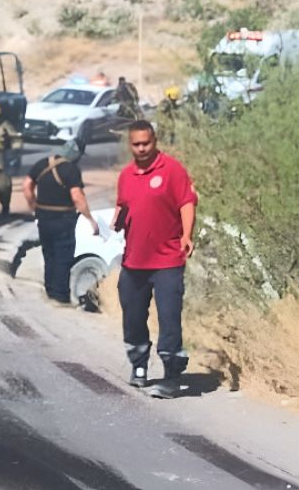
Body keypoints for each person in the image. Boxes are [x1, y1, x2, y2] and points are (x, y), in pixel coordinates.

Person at [112, 120, 197, 399]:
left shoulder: (172, 169)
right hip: (134, 261)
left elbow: (186, 202)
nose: (141, 148)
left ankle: (171, 377)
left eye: (146, 143)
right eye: (136, 144)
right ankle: (139, 365)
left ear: (155, 141)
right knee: (133, 317)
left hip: (167, 260)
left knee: (169, 318)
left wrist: (187, 234)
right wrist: (117, 219)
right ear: (130, 145)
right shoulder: (126, 175)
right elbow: (124, 204)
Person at [23, 139, 99, 305]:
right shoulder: (71, 169)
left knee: (49, 254)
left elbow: (27, 185)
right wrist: (90, 219)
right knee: (63, 257)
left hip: (43, 217)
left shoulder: (42, 163)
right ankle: (60, 296)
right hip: (63, 219)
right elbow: (77, 197)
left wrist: (33, 206)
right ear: (77, 155)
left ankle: (49, 290)